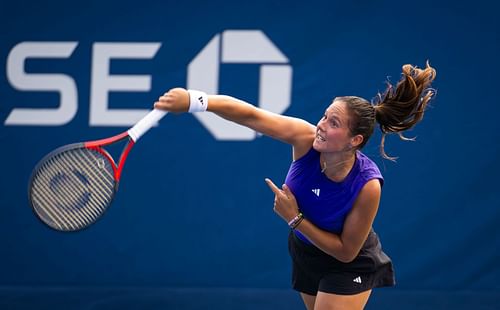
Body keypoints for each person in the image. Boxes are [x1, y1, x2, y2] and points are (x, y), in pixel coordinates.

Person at [154, 62, 436, 309]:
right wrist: (195, 100)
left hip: (350, 263)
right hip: (306, 252)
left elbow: (346, 251)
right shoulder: (305, 138)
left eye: (334, 123)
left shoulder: (367, 185)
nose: (322, 125)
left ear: (355, 140)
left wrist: (294, 218)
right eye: (325, 116)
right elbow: (252, 115)